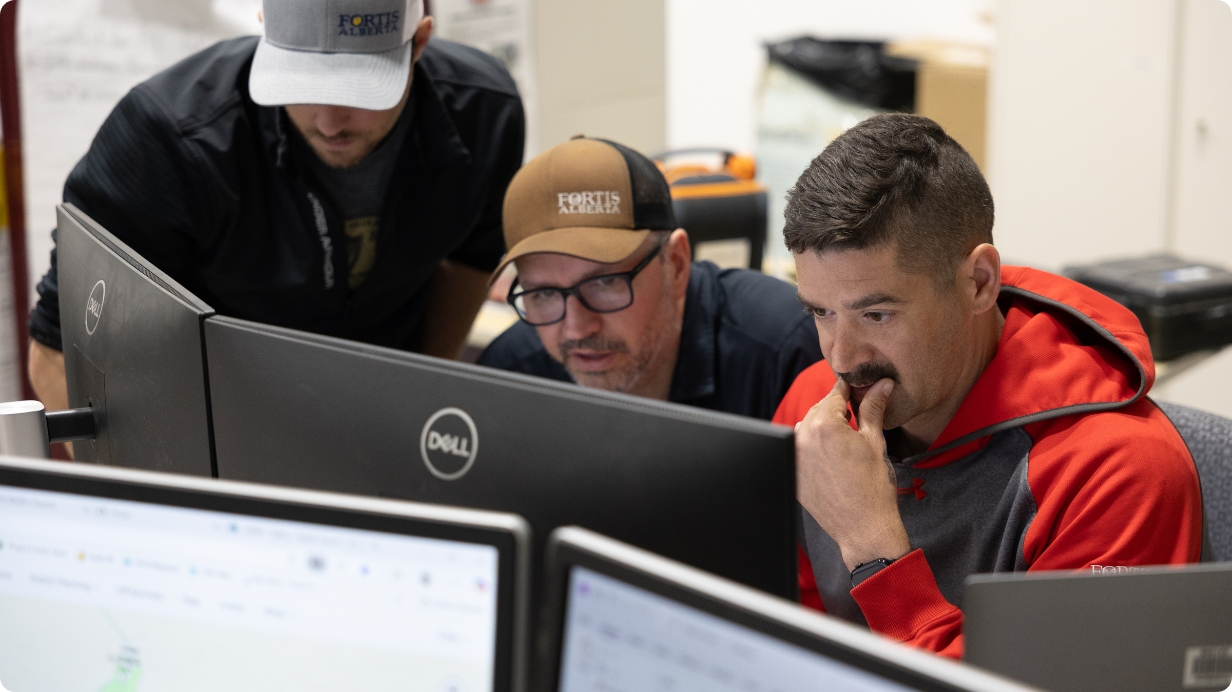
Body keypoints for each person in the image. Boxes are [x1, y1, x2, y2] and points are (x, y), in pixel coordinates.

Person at [775, 113, 1203, 658]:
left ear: (979, 282)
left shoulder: (1119, 472)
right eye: (820, 312)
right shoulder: (814, 413)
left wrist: (874, 552)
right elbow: (788, 645)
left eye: (877, 315)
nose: (841, 357)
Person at [28, 0, 524, 413]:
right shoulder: (169, 139)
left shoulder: (484, 112)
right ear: (264, 27)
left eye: (359, 88)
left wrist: (426, 393)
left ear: (419, 43)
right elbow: (55, 352)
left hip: (383, 402)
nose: (329, 122)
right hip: (218, 415)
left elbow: (470, 261)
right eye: (302, 83)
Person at [477, 137, 821, 420]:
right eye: (544, 294)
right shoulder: (510, 376)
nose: (577, 329)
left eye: (604, 283)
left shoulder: (785, 354)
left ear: (676, 264)